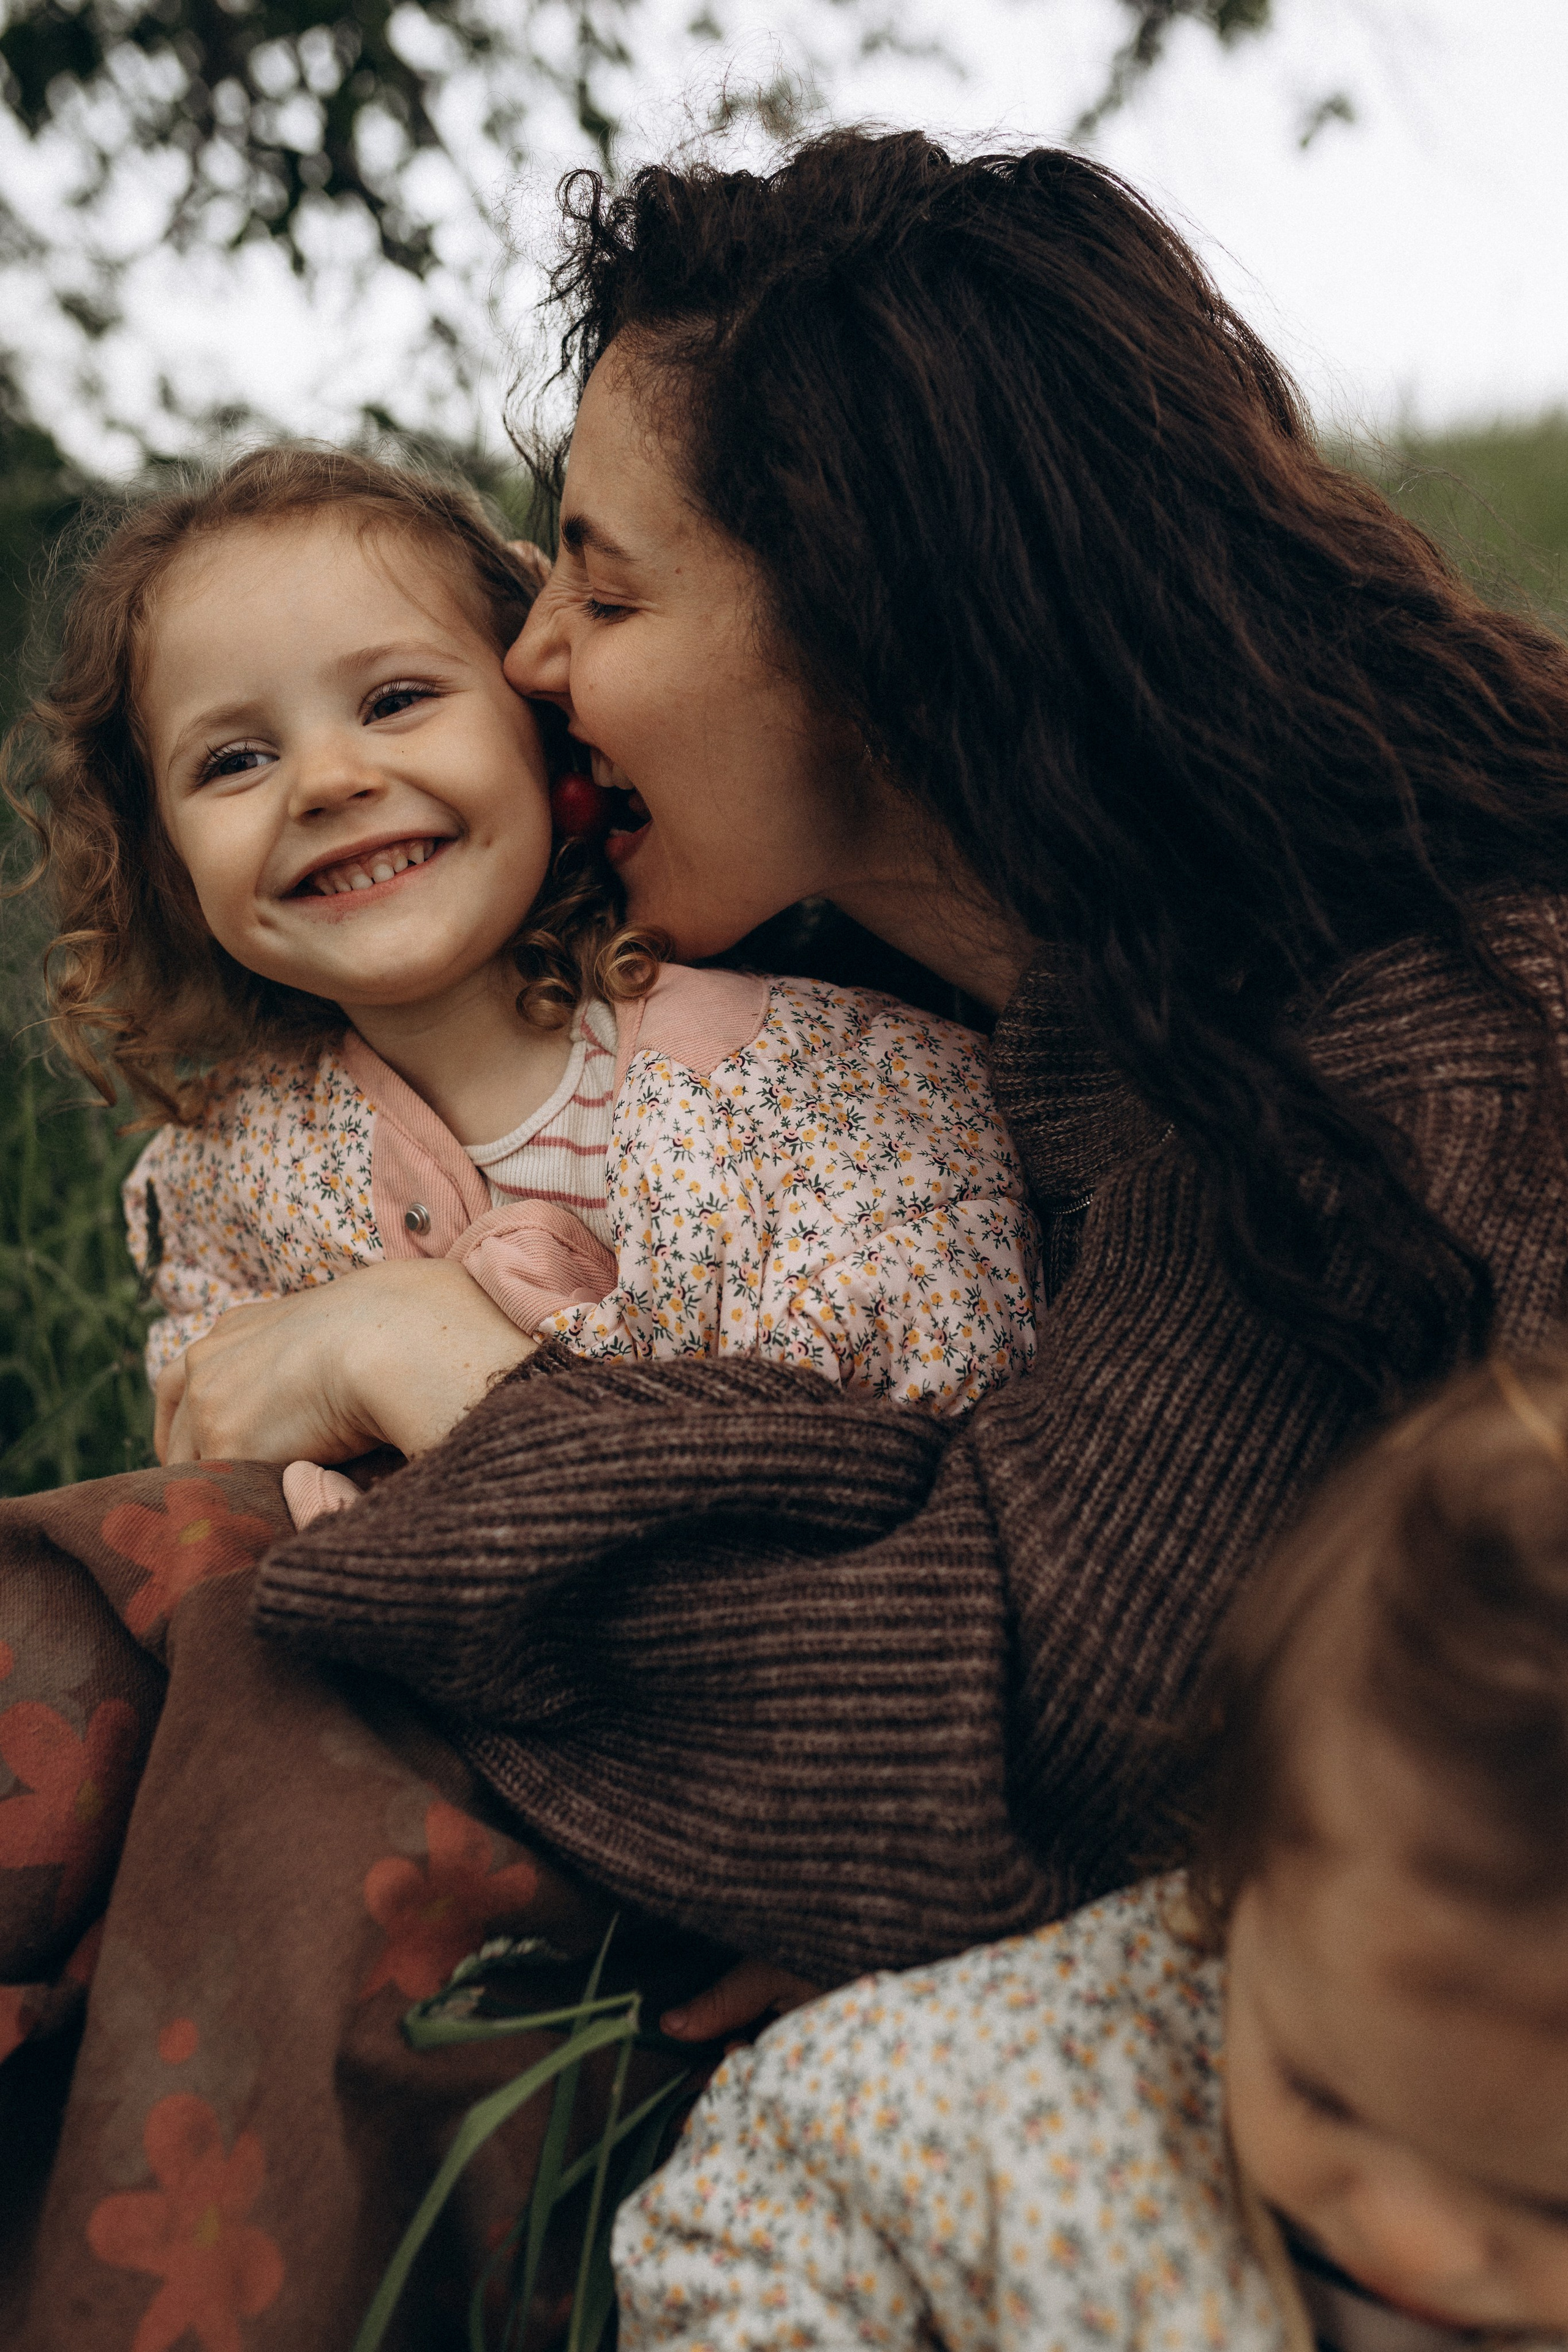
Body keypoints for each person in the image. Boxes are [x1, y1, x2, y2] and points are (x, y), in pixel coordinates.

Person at [206, 130, 1568, 2030]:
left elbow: (999, 1748)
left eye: (603, 596)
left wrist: (429, 1361)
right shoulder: (875, 995)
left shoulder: (1397, 1056)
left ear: (881, 631)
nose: (529, 661)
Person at [13, 443, 1037, 1502]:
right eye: (233, 761)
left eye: (397, 698)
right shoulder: (227, 1161)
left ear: (544, 728)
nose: (324, 781)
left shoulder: (828, 1099)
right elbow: (210, 1455)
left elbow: (904, 1501)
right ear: (166, 860)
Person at [614, 1349, 1568, 2352]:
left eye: (1549, 2207)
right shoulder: (1039, 2088)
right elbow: (771, 2207)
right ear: (1237, 1879)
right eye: (1318, 2095)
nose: (1411, 2240)